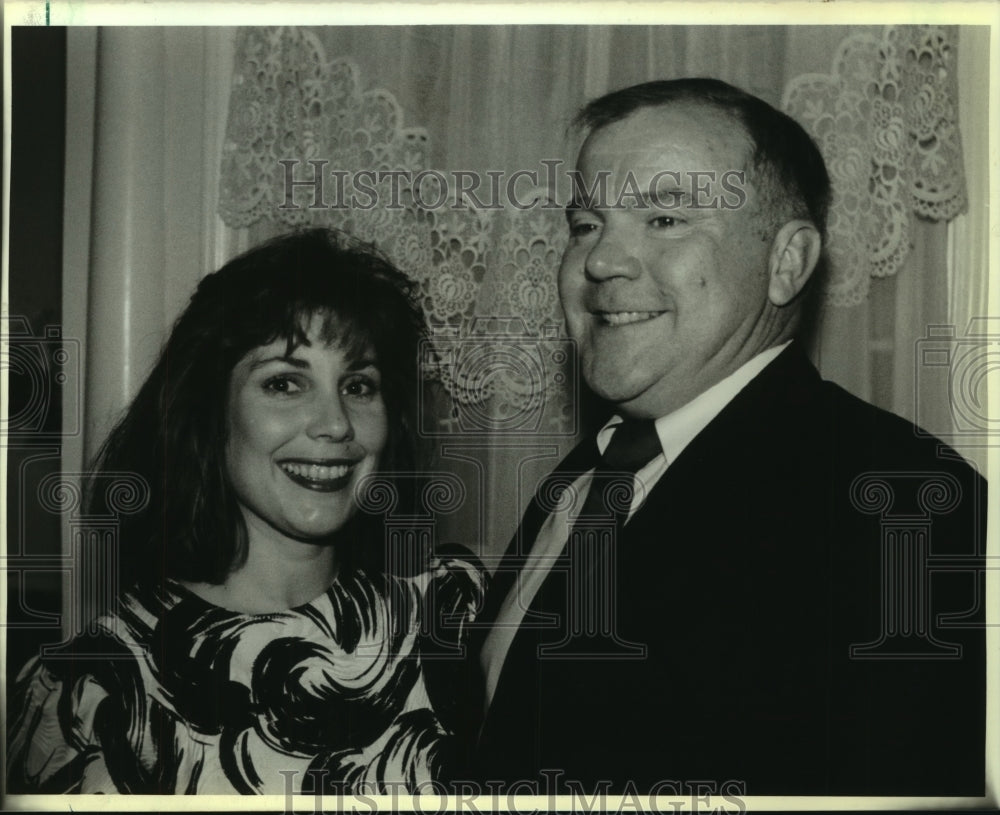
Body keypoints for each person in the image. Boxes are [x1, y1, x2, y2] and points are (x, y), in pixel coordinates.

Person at [473, 79, 986, 796]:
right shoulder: (592, 473)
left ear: (787, 261)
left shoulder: (903, 508)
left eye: (665, 219)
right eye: (587, 223)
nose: (600, 261)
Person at [7, 228, 484, 795]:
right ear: (211, 413)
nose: (335, 424)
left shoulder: (452, 618)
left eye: (358, 385)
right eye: (285, 383)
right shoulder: (90, 691)